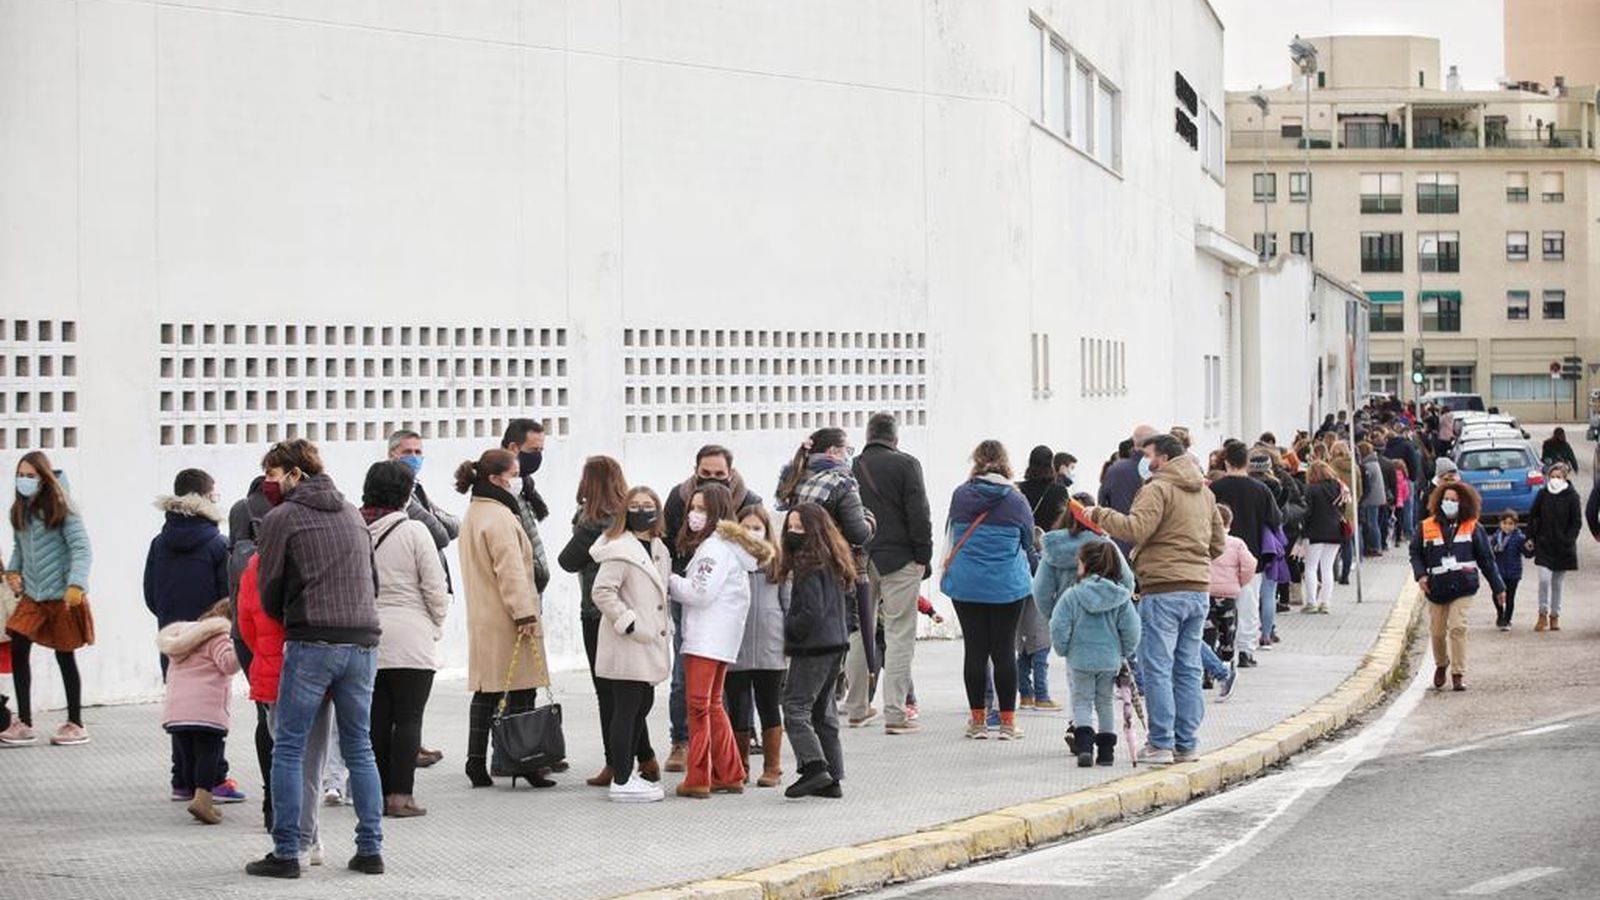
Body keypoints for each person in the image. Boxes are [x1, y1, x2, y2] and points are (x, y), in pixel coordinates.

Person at [246, 439, 384, 879]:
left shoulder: (282, 518)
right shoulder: (351, 514)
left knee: (288, 746)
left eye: (272, 475)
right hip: (362, 641)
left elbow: (269, 590)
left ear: (293, 473)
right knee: (359, 747)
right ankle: (370, 850)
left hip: (311, 642)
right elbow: (373, 581)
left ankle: (287, 852)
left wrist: (293, 611)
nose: (270, 484)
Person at [1089, 434, 1226, 765]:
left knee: (1158, 667)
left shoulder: (1157, 488)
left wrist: (1098, 515)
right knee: (1188, 666)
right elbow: (1218, 544)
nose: (1143, 460)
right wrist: (1192, 556)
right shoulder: (1205, 493)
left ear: (1162, 457)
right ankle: (1187, 742)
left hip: (1163, 587)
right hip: (1197, 588)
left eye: (1147, 454)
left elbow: (1136, 529)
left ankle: (1161, 742)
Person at [661, 445, 764, 772]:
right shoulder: (725, 544)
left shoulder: (713, 549)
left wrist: (668, 580)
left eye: (700, 510)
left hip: (706, 637)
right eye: (693, 507)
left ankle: (699, 775)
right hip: (718, 635)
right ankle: (730, 771)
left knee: (699, 707)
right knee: (713, 705)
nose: (693, 514)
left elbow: (699, 592)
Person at [143, 468, 244, 804]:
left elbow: (150, 594)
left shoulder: (160, 542)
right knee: (211, 710)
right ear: (204, 497)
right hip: (210, 635)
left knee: (181, 705)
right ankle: (213, 779)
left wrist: (171, 621)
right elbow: (226, 594)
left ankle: (181, 780)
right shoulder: (217, 544)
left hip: (172, 635)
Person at [454, 449, 552, 791]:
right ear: (496, 479)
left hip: (484, 616)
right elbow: (511, 570)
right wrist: (524, 612)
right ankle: (525, 760)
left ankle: (476, 762)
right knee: (522, 691)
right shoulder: (499, 517)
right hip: (508, 618)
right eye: (514, 475)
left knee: (487, 692)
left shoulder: (476, 513)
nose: (519, 482)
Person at [237, 534, 334, 866]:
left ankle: (302, 841)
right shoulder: (315, 563)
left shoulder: (255, 568)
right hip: (318, 669)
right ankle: (312, 839)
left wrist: (265, 655)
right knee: (313, 762)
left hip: (274, 674)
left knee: (288, 762)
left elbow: (246, 625)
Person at [558, 456, 654, 788]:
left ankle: (617, 765)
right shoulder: (629, 517)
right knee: (634, 691)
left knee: (610, 694)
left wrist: (584, 528)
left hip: (598, 614)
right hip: (633, 613)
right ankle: (646, 757)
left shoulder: (595, 522)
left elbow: (567, 560)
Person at [361, 460, 450, 818]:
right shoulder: (415, 531)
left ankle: (380, 796)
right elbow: (435, 587)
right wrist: (435, 623)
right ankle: (403, 797)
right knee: (409, 719)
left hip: (368, 634)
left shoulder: (356, 528)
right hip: (412, 637)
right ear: (405, 493)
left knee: (378, 719)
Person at [776, 428, 875, 723]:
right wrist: (870, 520)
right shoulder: (841, 482)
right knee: (837, 636)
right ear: (833, 452)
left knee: (806, 624)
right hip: (836, 570)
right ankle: (832, 698)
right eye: (847, 449)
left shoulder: (794, 477)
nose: (849, 454)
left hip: (797, 564)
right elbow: (858, 532)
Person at [941, 440, 1036, 742]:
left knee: (975, 651)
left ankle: (978, 722)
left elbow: (952, 530)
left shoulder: (961, 495)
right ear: (1006, 463)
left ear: (976, 462)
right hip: (1007, 585)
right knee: (1004, 650)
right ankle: (1007, 724)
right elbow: (1027, 541)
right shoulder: (1016, 500)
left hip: (967, 584)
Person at [0, 452, 94, 747]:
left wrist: (76, 585)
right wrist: (13, 570)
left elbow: (82, 549)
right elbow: (19, 547)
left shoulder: (64, 509)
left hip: (62, 596)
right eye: (21, 474)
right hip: (32, 595)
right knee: (17, 643)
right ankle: (25, 723)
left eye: (31, 475)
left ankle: (76, 722)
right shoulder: (19, 511)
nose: (24, 480)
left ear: (43, 477)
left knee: (64, 654)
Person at [588, 486, 674, 803]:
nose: (642, 509)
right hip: (627, 642)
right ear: (626, 510)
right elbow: (602, 591)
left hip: (649, 643)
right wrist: (629, 622)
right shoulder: (620, 549)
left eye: (648, 504)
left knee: (641, 707)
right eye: (635, 505)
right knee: (626, 710)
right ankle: (622, 780)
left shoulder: (658, 548)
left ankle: (627, 773)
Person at [849, 413, 932, 735]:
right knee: (899, 634)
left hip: (861, 557)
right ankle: (896, 713)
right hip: (900, 557)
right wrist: (923, 555)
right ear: (895, 438)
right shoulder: (907, 465)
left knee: (859, 631)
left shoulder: (852, 466)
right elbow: (918, 512)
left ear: (868, 435)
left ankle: (856, 708)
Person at [778, 502, 855, 799]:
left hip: (813, 646)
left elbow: (810, 612)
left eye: (800, 527)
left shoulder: (809, 564)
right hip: (835, 643)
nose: (794, 533)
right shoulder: (834, 559)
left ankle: (813, 767)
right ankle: (832, 777)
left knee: (795, 707)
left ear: (815, 531)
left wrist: (789, 631)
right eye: (791, 527)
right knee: (824, 711)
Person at [1409, 482, 1505, 692]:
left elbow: (1487, 561)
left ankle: (1458, 673)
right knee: (1436, 632)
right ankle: (1441, 664)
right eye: (1446, 499)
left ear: (1463, 503)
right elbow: (1415, 552)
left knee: (1458, 627)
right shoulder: (1426, 526)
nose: (1449, 503)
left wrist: (1498, 587)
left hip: (1464, 586)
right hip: (1436, 588)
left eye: (1454, 500)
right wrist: (1421, 575)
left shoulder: (1473, 527)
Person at [1052, 542, 1140, 768]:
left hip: (1080, 658)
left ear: (1086, 564)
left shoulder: (1072, 596)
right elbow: (1132, 629)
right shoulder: (1120, 597)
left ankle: (1084, 748)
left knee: (1082, 701)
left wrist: (1063, 649)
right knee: (1105, 702)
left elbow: (1059, 626)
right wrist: (1124, 651)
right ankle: (1107, 753)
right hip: (1109, 658)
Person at [159, 600, 240, 824]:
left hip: (178, 709)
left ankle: (195, 795)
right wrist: (243, 645)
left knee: (188, 756)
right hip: (206, 708)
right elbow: (228, 664)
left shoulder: (183, 636)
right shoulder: (219, 636)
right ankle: (203, 799)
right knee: (208, 754)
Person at [725, 505, 787, 787]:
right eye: (745, 527)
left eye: (757, 528)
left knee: (769, 706)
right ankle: (740, 766)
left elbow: (789, 605)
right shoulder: (729, 562)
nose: (751, 533)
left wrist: (789, 643)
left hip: (770, 648)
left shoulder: (779, 564)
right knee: (738, 708)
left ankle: (773, 766)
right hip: (735, 649)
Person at [1207, 442, 1280, 667]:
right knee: (1248, 605)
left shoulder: (1215, 489)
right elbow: (1276, 520)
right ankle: (1246, 650)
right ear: (1246, 463)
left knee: (1215, 608)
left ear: (1226, 462)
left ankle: (1218, 648)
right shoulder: (1261, 489)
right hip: (1251, 556)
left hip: (1217, 556)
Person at [1526, 462, 1580, 633]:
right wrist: (1531, 537)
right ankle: (1542, 613)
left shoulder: (1572, 496)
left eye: (1559, 476)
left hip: (1563, 547)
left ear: (1565, 478)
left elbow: (1576, 522)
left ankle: (1555, 616)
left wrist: (1568, 540)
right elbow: (1533, 516)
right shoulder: (1543, 494)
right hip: (1544, 544)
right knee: (1544, 580)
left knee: (1557, 582)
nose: (1555, 480)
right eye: (1553, 476)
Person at [1206, 504, 1254, 681]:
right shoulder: (1237, 543)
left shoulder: (1204, 540)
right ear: (1230, 523)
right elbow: (1249, 565)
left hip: (1207, 591)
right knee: (1228, 630)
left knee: (1207, 632)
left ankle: (1207, 672)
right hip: (1227, 594)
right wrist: (1240, 581)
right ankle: (1227, 664)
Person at [1301, 462, 1348, 615]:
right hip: (1335, 531)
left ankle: (1311, 603)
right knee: (1327, 568)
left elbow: (1306, 512)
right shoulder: (1339, 487)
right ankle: (1325, 603)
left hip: (1314, 531)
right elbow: (1344, 508)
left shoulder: (1312, 489)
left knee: (1311, 568)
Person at [501, 418, 550, 522]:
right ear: (513, 448)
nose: (538, 455)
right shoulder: (498, 485)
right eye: (534, 449)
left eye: (540, 450)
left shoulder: (524, 483)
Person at [1489, 513, 1527, 631]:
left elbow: (1526, 553)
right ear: (1500, 524)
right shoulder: (1496, 537)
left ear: (1515, 525)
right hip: (1498, 572)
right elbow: (1489, 553)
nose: (1507, 526)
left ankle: (1507, 619)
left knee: (1510, 597)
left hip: (1513, 572)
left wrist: (1529, 547)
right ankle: (1500, 613)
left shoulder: (1519, 538)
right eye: (1504, 523)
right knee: (1496, 595)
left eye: (1510, 524)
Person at [1357, 442, 1389, 558]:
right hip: (1378, 497)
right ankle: (1377, 545)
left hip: (1372, 499)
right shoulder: (1375, 463)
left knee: (1372, 523)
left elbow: (1366, 483)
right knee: (1375, 522)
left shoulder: (1368, 466)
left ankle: (1376, 547)